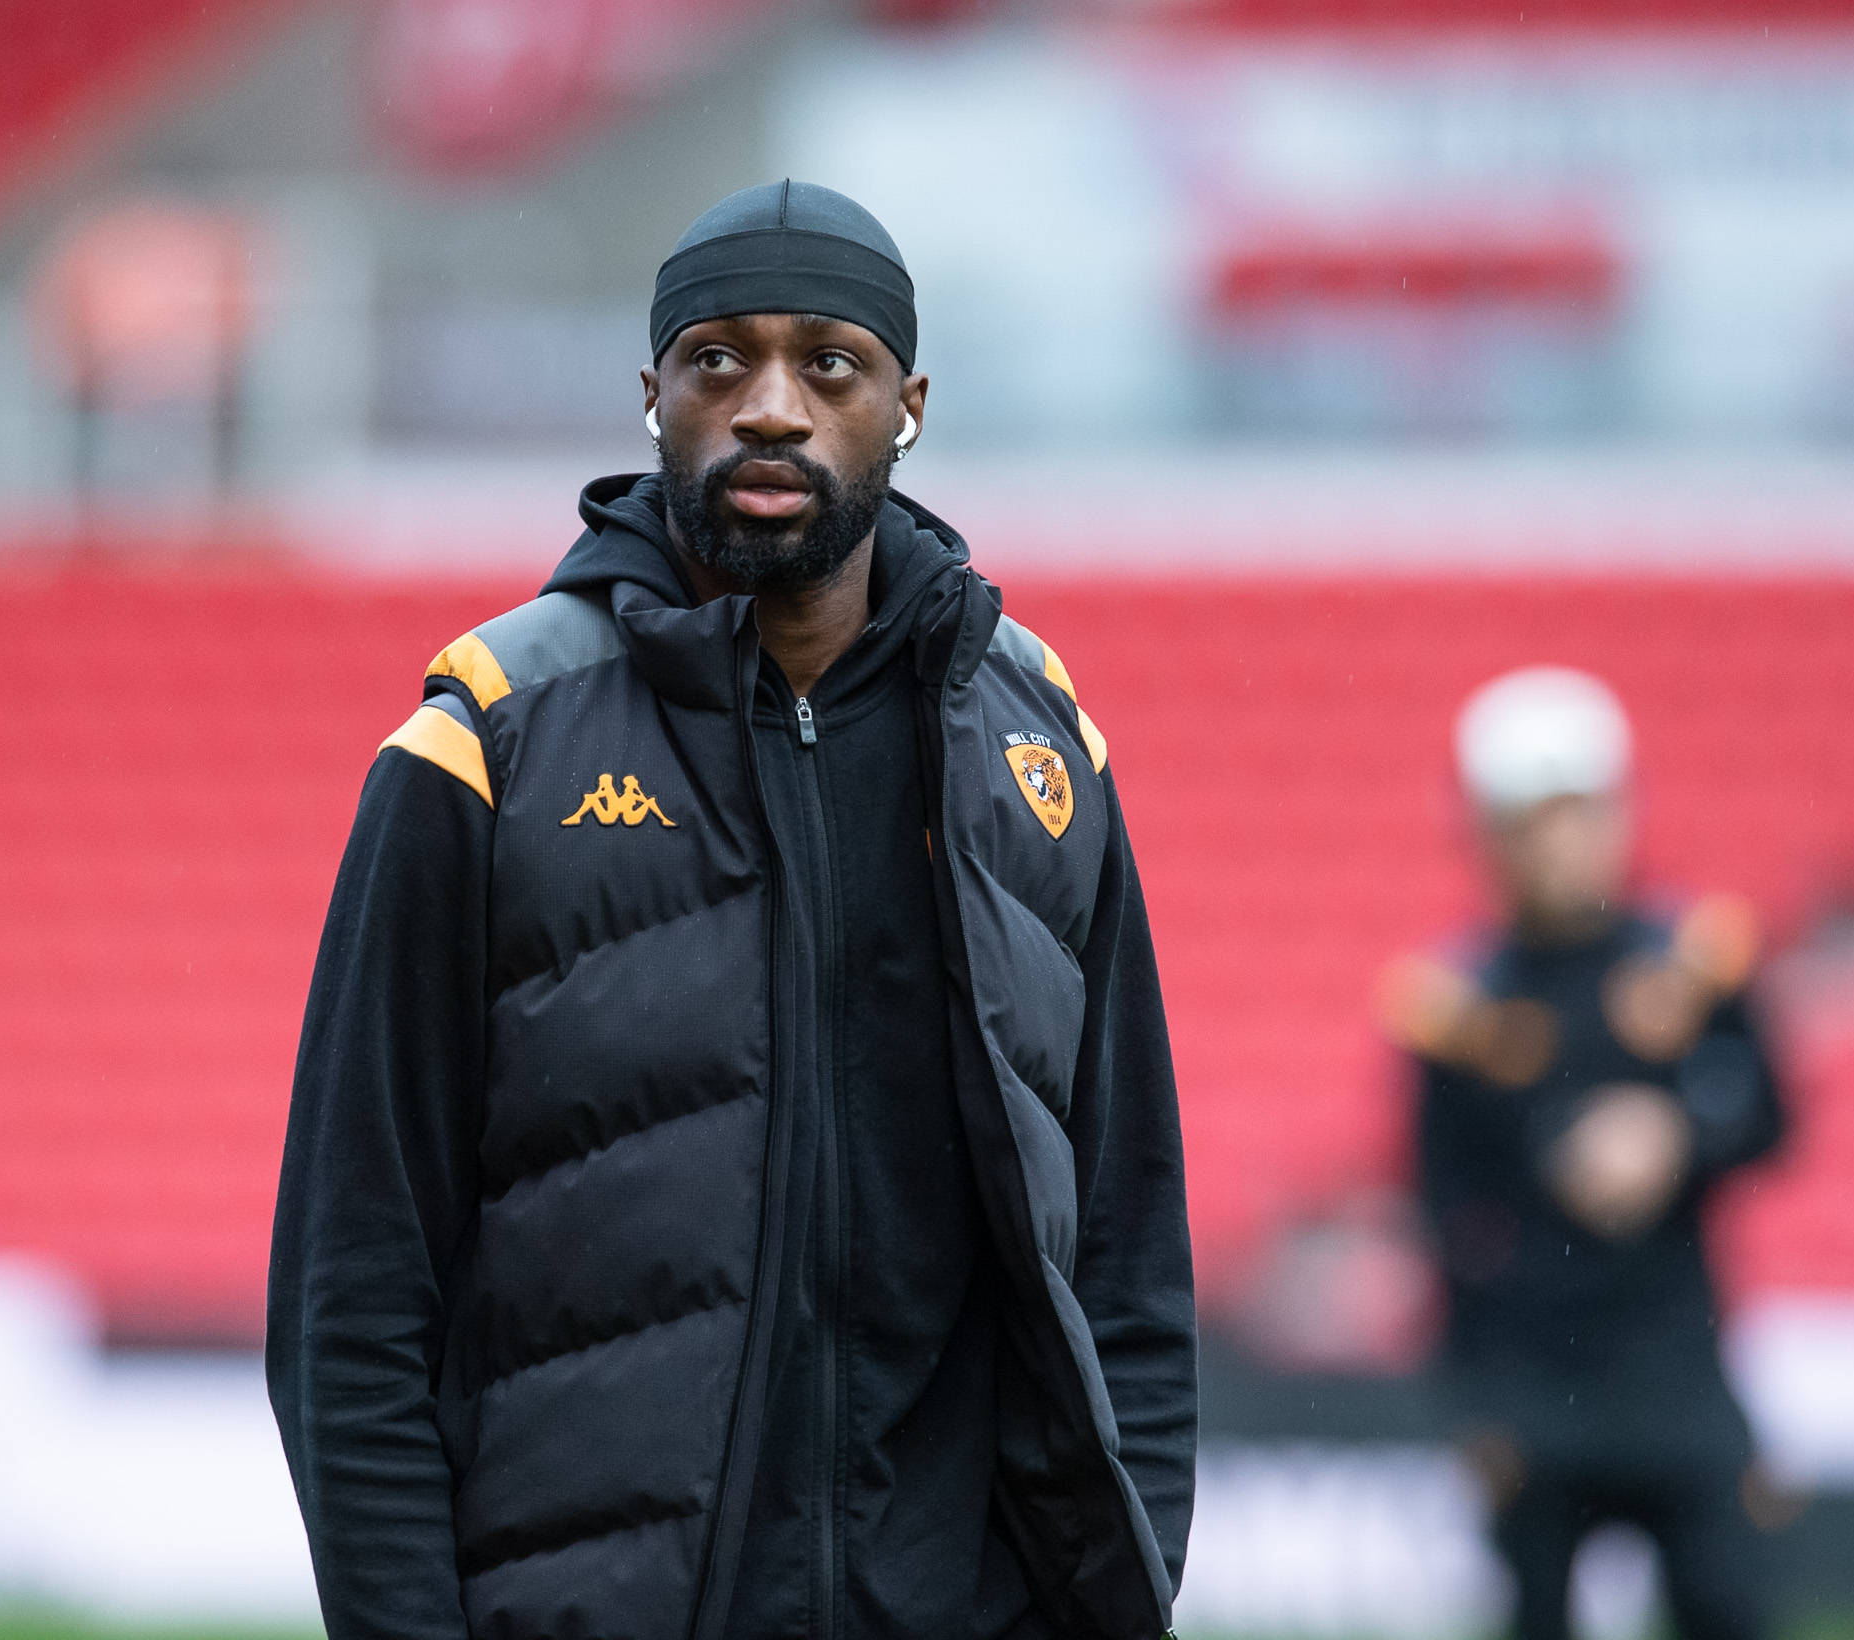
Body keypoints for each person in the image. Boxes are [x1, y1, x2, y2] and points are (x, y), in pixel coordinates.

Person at [267, 180, 1198, 1640]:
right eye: (720, 361)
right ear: (652, 397)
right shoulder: (488, 741)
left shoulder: (1043, 748)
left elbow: (1131, 1253)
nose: (771, 406)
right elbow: (354, 1287)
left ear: (908, 405)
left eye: (829, 363)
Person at [1380, 666, 1789, 1640]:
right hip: (1534, 1379)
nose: (1563, 841)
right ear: (1488, 834)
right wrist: (1472, 1399)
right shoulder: (1455, 1006)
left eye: (1581, 810)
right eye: (1533, 818)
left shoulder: (1692, 959)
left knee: (1730, 1603)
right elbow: (1440, 1210)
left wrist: (1679, 1132)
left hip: (1676, 1360)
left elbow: (1772, 1118)